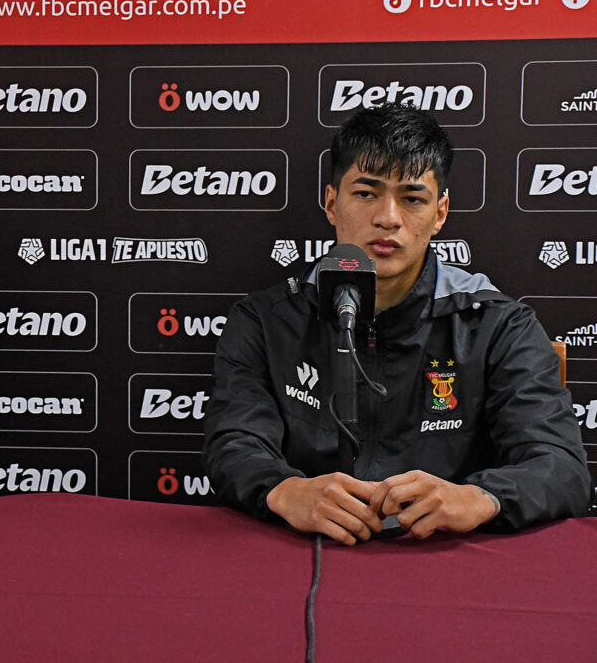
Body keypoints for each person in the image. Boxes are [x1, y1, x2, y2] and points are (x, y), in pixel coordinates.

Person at [203, 102, 590, 546]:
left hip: (443, 564)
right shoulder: (264, 320)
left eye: (412, 199)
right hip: (305, 557)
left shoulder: (499, 325)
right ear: (332, 202)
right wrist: (286, 490)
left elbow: (562, 467)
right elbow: (232, 442)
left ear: (440, 213)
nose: (388, 217)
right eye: (366, 193)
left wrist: (479, 498)